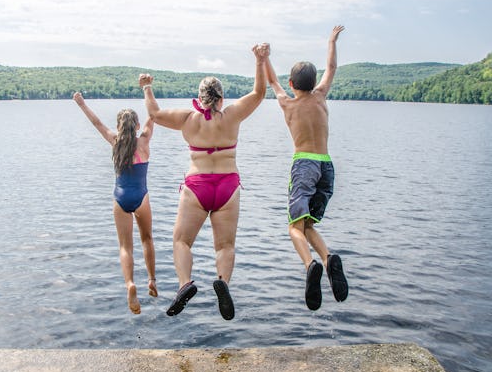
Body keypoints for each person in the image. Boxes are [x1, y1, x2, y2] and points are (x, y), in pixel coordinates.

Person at [138, 44, 269, 320]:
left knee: (181, 241)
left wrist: (147, 88)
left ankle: (185, 283)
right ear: (221, 98)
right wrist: (260, 60)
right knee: (225, 246)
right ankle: (223, 282)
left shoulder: (188, 119)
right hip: (227, 187)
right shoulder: (232, 115)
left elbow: (155, 115)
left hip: (196, 187)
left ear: (199, 97)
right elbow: (259, 93)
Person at [263, 26, 348, 311]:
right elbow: (332, 66)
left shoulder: (287, 104)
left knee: (293, 227)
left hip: (305, 165)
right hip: (327, 166)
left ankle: (310, 265)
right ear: (314, 83)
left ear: (292, 83)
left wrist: (263, 58)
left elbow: (272, 81)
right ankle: (327, 258)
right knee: (308, 223)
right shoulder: (321, 95)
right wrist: (331, 41)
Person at [73, 92, 157, 315]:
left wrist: (82, 104)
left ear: (119, 127)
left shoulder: (114, 141)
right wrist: (148, 89)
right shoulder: (144, 141)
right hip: (141, 197)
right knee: (147, 239)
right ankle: (151, 280)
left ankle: (130, 283)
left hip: (120, 198)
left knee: (125, 246)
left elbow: (96, 122)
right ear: (137, 125)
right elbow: (154, 114)